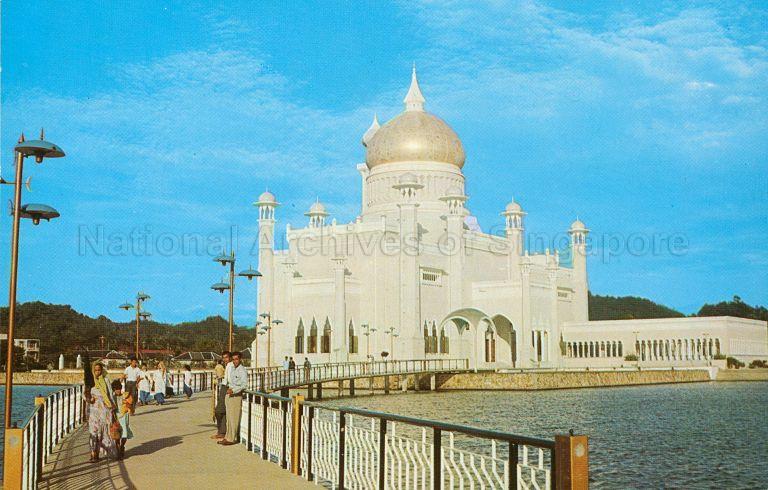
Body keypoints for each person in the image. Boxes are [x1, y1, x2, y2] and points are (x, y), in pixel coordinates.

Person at [85, 362, 117, 462]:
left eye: (99, 370)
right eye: (96, 370)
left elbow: (110, 394)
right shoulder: (90, 381)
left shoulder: (106, 380)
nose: (97, 372)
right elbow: (85, 393)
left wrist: (113, 407)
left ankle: (106, 452)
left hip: (104, 409)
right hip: (93, 409)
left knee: (104, 431)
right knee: (93, 431)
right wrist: (89, 399)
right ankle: (93, 454)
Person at [218, 351, 247, 446]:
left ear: (240, 359)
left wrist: (233, 390)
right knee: (229, 418)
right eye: (233, 359)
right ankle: (227, 437)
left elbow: (244, 385)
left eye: (236, 359)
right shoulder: (233, 369)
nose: (235, 361)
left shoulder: (242, 370)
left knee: (234, 418)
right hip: (229, 395)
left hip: (235, 396)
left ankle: (232, 438)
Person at [111, 379, 134, 459]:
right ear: (113, 389)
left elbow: (131, 406)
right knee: (117, 435)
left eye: (119, 388)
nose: (118, 390)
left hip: (124, 416)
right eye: (116, 389)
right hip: (116, 417)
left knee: (124, 434)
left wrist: (128, 404)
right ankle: (119, 452)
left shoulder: (125, 396)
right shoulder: (112, 398)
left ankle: (122, 446)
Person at [212, 352, 230, 440]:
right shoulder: (226, 366)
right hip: (223, 387)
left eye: (226, 357)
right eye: (224, 358)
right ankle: (221, 431)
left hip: (227, 388)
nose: (225, 359)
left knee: (219, 411)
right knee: (221, 411)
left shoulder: (230, 366)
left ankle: (222, 432)